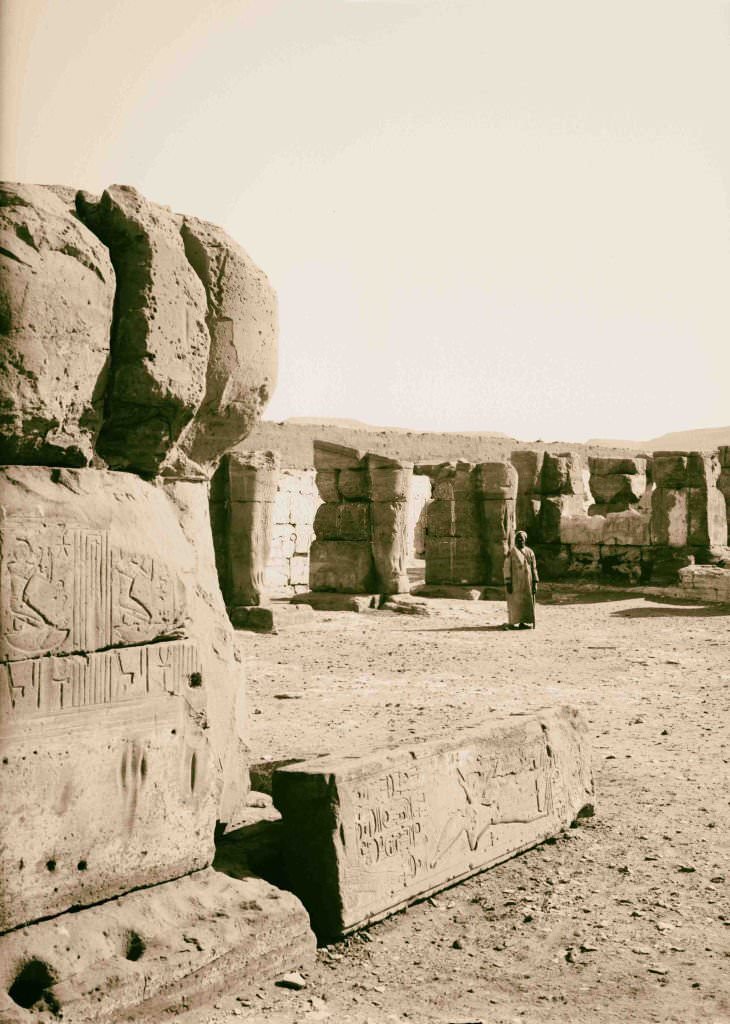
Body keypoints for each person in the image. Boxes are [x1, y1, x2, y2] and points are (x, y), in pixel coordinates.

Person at [503, 530, 538, 629]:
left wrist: (535, 582)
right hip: (515, 582)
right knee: (515, 602)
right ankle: (513, 623)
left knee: (526, 602)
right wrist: (508, 582)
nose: (519, 540)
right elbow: (506, 567)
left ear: (525, 540)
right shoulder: (511, 552)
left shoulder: (530, 552)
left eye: (521, 539)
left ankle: (523, 622)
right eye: (517, 539)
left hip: (527, 582)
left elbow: (534, 568)